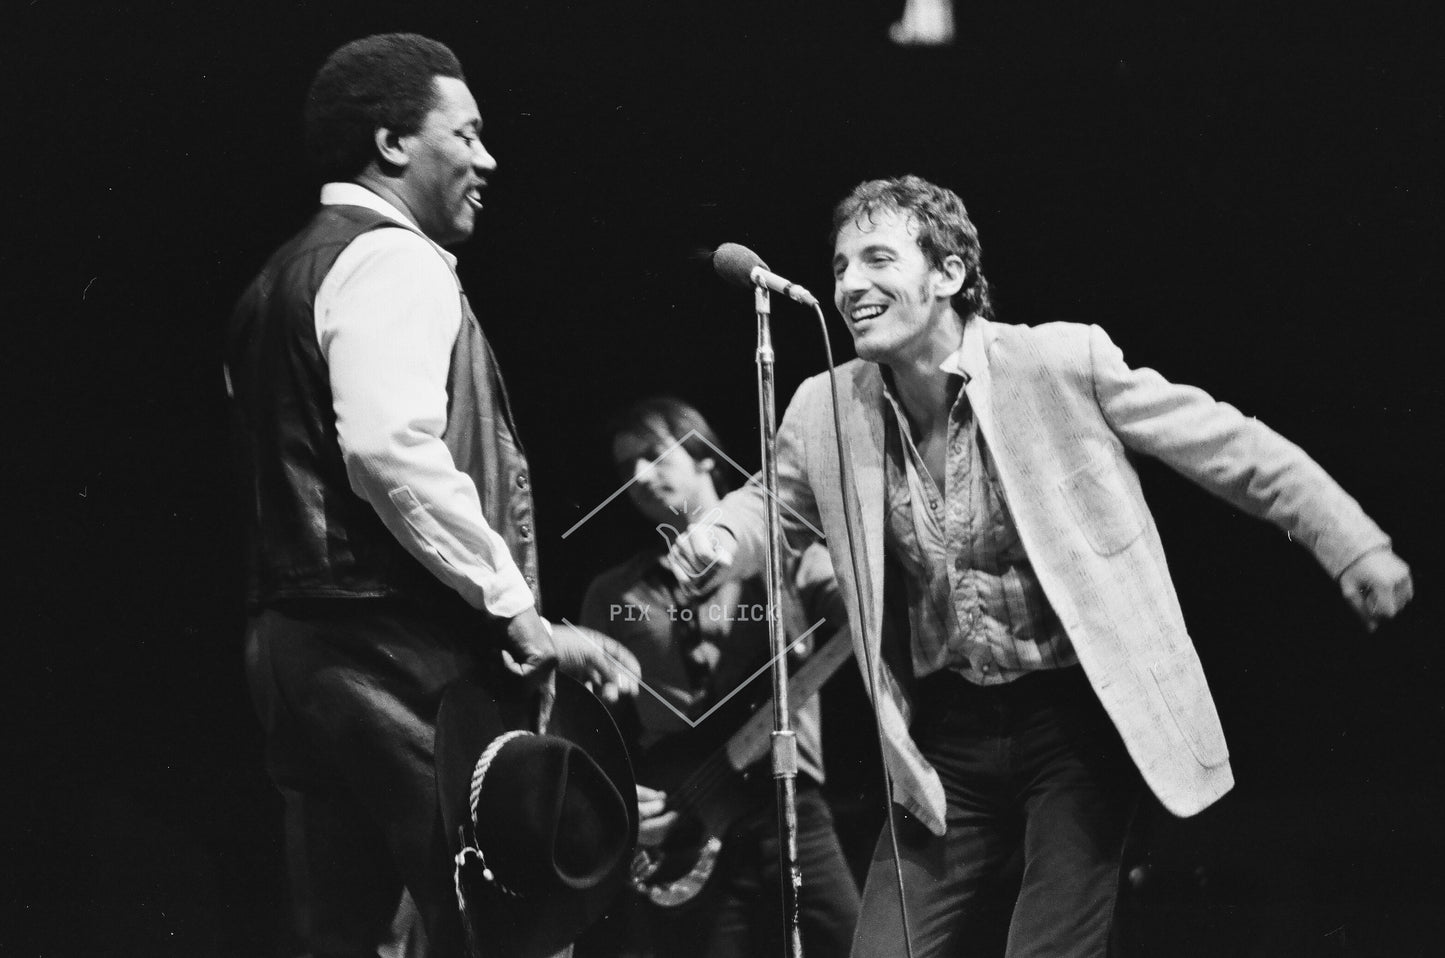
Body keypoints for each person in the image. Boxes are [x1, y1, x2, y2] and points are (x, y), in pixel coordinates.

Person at [667, 175, 1414, 958]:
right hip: (947, 737)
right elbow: (771, 505)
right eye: (840, 266)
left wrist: (1347, 540)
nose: (850, 284)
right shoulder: (824, 407)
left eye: (877, 259)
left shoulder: (1055, 361)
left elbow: (1226, 446)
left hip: (1076, 723)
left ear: (948, 274)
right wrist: (716, 537)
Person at [225, 33, 632, 958]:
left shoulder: (270, 285)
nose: (488, 160)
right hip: (393, 652)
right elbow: (389, 449)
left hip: (296, 652)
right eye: (468, 134)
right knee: (505, 923)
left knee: (350, 933)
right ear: (393, 144)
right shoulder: (391, 260)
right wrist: (517, 612)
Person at [579, 398, 860, 958]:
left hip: (790, 805)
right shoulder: (612, 593)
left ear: (704, 455)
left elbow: (861, 607)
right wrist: (617, 801)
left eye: (654, 455)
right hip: (682, 820)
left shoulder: (786, 558)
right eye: (626, 466)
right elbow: (587, 727)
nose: (638, 476)